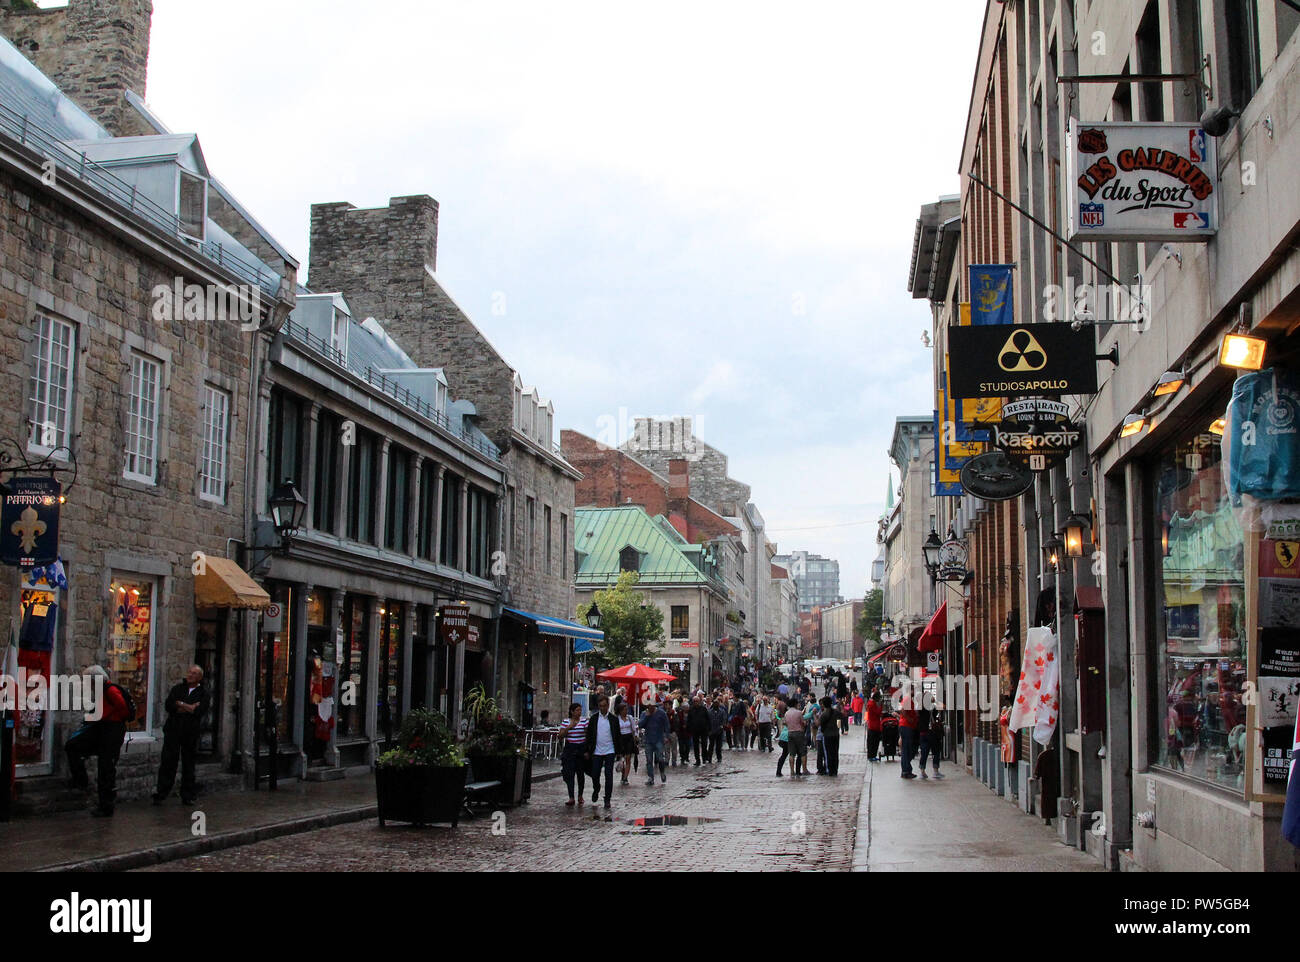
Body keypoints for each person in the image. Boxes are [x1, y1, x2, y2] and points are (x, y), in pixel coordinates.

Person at [65, 666, 130, 817]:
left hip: (111, 731)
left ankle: (106, 805)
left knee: (106, 768)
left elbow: (123, 710)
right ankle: (81, 781)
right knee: (72, 746)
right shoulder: (103, 691)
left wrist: (105, 716)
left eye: (89, 681)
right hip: (103, 730)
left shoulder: (111, 690)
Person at [152, 664, 209, 805]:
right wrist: (188, 706)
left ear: (199, 677)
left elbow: (199, 711)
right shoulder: (177, 689)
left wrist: (181, 704)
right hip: (173, 729)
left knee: (189, 763)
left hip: (190, 732)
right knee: (168, 761)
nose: (190, 675)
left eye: (194, 673)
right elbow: (169, 706)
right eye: (189, 672)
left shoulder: (203, 693)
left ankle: (187, 795)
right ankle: (161, 792)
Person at [584, 693, 620, 813]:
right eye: (600, 706)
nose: (603, 708)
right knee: (595, 774)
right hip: (597, 751)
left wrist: (619, 752)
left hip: (610, 750)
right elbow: (589, 736)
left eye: (604, 706)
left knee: (609, 775)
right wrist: (587, 750)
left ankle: (607, 798)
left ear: (608, 705)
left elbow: (617, 735)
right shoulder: (594, 719)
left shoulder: (613, 719)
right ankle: (596, 788)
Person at [559, 702, 589, 806]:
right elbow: (560, 736)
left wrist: (587, 751)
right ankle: (571, 797)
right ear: (572, 711)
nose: (579, 712)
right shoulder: (566, 722)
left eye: (580, 710)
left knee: (580, 774)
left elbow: (587, 735)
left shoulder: (584, 721)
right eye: (577, 710)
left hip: (581, 749)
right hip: (570, 750)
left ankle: (580, 795)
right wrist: (569, 727)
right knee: (569, 774)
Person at [639, 697, 670, 785]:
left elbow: (666, 725)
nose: (650, 707)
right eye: (648, 706)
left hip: (659, 739)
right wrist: (647, 716)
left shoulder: (661, 713)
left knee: (660, 759)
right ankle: (650, 778)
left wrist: (666, 736)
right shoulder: (644, 714)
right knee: (649, 760)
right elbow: (640, 725)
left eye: (651, 705)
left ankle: (662, 772)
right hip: (648, 740)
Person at [784, 698, 808, 777]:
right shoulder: (798, 713)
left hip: (790, 733)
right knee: (803, 752)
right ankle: (804, 769)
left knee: (792, 753)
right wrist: (805, 723)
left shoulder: (787, 713)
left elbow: (785, 723)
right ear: (795, 704)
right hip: (799, 733)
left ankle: (792, 771)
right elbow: (803, 723)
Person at [919, 707, 945, 779]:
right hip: (932, 732)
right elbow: (942, 708)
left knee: (924, 753)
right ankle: (935, 771)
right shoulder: (933, 707)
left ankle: (922, 772)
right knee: (936, 752)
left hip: (923, 733)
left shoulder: (920, 708)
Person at [818, 696, 842, 776]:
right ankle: (835, 769)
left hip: (827, 735)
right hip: (835, 735)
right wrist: (837, 729)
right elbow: (839, 724)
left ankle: (830, 770)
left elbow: (820, 725)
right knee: (835, 752)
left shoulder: (824, 714)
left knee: (829, 753)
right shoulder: (836, 712)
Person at [898, 691, 919, 779]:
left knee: (907, 749)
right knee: (907, 749)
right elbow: (902, 710)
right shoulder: (907, 699)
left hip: (907, 726)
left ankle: (906, 770)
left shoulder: (909, 700)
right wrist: (909, 719)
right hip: (907, 726)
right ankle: (906, 771)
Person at [616, 700, 636, 784]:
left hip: (629, 738)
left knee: (628, 758)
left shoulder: (630, 718)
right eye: (624, 710)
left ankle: (625, 778)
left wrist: (635, 737)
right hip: (620, 739)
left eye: (626, 709)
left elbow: (633, 729)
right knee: (621, 759)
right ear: (620, 711)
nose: (626, 711)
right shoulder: (617, 719)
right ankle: (623, 774)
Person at [688, 694, 711, 765]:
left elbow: (708, 719)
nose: (696, 703)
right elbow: (689, 720)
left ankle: (704, 758)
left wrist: (709, 728)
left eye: (697, 701)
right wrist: (690, 728)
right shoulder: (691, 709)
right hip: (695, 730)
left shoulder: (703, 709)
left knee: (704, 744)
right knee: (696, 746)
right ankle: (697, 760)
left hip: (703, 730)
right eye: (694, 701)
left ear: (699, 701)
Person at [708, 697, 727, 763]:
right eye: (715, 703)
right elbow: (708, 721)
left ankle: (719, 757)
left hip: (719, 731)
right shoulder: (709, 711)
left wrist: (722, 726)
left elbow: (724, 720)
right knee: (711, 745)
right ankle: (709, 757)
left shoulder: (722, 711)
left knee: (718, 746)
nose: (716, 704)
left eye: (717, 703)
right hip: (711, 731)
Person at [865, 693, 883, 762]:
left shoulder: (870, 703)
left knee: (871, 742)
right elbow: (878, 712)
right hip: (874, 726)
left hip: (872, 725)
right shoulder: (872, 704)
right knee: (874, 742)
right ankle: (872, 756)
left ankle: (871, 755)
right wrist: (881, 706)